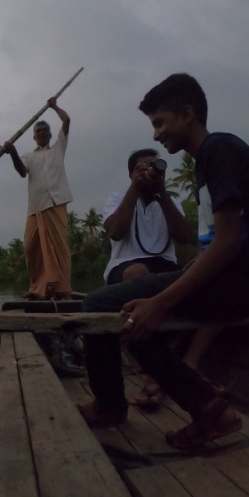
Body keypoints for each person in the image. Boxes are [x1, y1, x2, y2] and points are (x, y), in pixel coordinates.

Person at [77, 73, 249, 450]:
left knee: (101, 304)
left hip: (240, 284)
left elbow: (228, 243)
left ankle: (114, 407)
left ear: (187, 114)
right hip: (241, 280)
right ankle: (208, 408)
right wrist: (162, 297)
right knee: (134, 312)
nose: (156, 135)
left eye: (159, 123)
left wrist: (162, 301)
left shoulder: (217, 151)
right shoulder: (211, 157)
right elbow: (215, 244)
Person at [102, 148, 190, 406]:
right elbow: (116, 233)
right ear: (131, 173)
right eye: (143, 167)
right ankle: (154, 371)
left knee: (202, 278)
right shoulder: (117, 198)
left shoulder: (170, 201)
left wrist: (162, 194)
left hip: (165, 267)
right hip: (125, 267)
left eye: (155, 167)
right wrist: (135, 189)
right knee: (137, 273)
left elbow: (184, 236)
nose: (150, 171)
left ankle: (170, 362)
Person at [2, 97, 72, 301]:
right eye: (38, 132)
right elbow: (22, 172)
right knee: (32, 247)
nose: (41, 134)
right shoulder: (29, 156)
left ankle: (62, 289)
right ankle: (36, 288)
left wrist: (55, 106)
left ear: (50, 135)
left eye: (44, 131)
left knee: (59, 247)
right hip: (35, 207)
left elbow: (67, 121)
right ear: (33, 137)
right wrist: (12, 152)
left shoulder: (58, 148)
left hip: (56, 202)